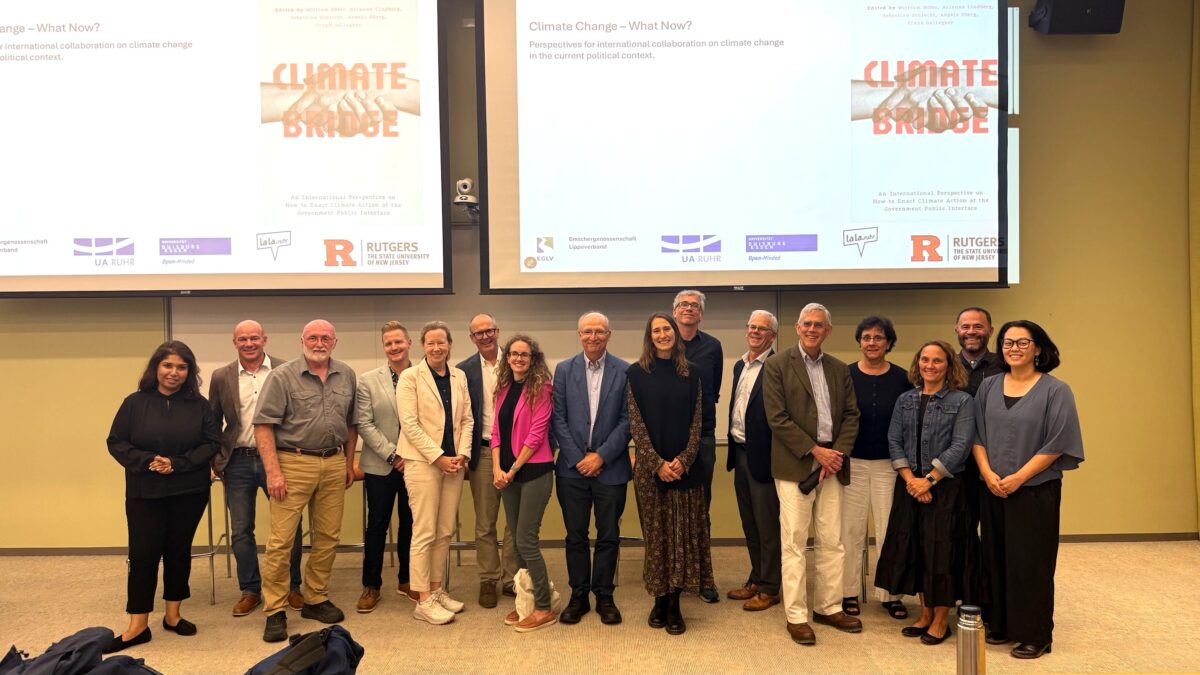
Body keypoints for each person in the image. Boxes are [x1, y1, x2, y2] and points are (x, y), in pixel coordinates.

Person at [973, 321, 1084, 659]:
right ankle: (1001, 624)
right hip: (992, 487)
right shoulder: (988, 386)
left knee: (1030, 563)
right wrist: (988, 473)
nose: (1014, 348)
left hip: (1035, 489)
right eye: (1008, 342)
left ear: (1038, 348)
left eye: (1023, 342)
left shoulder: (1056, 390)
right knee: (995, 558)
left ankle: (1035, 634)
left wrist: (1019, 477)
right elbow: (977, 436)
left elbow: (1057, 442)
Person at [104, 341, 220, 653]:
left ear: (189, 372)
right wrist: (149, 460)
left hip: (189, 490)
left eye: (181, 367)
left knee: (178, 551)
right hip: (145, 491)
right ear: (156, 368)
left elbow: (212, 442)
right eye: (168, 365)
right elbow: (116, 442)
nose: (174, 372)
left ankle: (173, 615)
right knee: (143, 554)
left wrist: (177, 463)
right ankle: (137, 625)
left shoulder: (200, 405)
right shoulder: (134, 403)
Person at [762, 303, 862, 645]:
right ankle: (797, 615)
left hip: (833, 464)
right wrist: (815, 451)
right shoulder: (776, 365)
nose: (812, 329)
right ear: (797, 326)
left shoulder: (838, 369)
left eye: (819, 325)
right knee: (794, 543)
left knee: (832, 540)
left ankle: (829, 606)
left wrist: (836, 455)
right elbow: (777, 418)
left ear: (828, 331)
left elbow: (851, 415)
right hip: (795, 465)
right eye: (807, 323)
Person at [254, 320, 358, 642]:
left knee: (328, 536)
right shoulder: (282, 377)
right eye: (313, 337)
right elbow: (263, 426)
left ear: (335, 341)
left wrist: (349, 462)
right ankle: (275, 609)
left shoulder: (346, 375)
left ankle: (315, 598)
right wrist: (273, 472)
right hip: (293, 463)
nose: (319, 342)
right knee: (281, 541)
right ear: (302, 340)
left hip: (334, 462)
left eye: (325, 337)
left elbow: (352, 423)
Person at [874, 340, 976, 646]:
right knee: (915, 549)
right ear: (918, 363)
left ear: (949, 366)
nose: (930, 366)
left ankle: (942, 619)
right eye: (925, 360)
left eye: (938, 361)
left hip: (946, 488)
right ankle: (925, 612)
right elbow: (894, 440)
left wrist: (928, 480)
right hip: (910, 486)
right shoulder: (905, 399)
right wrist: (911, 480)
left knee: (941, 553)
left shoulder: (962, 401)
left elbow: (961, 446)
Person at [626, 312, 714, 636]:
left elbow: (697, 423)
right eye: (656, 330)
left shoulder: (693, 373)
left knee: (682, 540)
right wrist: (657, 463)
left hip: (686, 472)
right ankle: (659, 599)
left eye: (667, 329)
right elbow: (636, 424)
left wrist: (682, 460)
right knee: (658, 539)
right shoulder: (635, 374)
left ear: (675, 334)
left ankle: (675, 603)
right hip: (651, 474)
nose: (662, 335)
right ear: (649, 337)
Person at [208, 320, 304, 618]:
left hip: (279, 459)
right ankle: (250, 589)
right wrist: (215, 461)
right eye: (242, 339)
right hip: (237, 460)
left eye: (254, 338)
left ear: (265, 339)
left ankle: (292, 586)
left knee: (290, 527)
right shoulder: (221, 376)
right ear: (234, 342)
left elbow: (297, 416)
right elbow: (213, 422)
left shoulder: (285, 369)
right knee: (240, 530)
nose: (248, 343)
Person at [552, 312, 631, 626]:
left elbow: (628, 420)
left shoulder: (625, 371)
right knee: (575, 536)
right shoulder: (563, 370)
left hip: (611, 468)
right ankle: (579, 595)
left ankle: (605, 596)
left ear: (609, 334)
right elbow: (558, 418)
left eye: (599, 331)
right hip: (572, 470)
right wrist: (578, 458)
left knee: (609, 536)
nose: (593, 337)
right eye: (587, 332)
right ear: (579, 334)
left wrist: (600, 457)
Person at [399, 321, 474, 625]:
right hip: (422, 463)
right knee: (425, 530)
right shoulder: (410, 377)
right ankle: (422, 600)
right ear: (422, 346)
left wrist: (463, 455)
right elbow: (409, 423)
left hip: (454, 464)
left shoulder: (459, 376)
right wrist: (438, 457)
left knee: (444, 531)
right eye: (430, 343)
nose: (436, 348)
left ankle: (436, 588)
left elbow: (467, 419)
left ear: (450, 344)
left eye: (441, 342)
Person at [840, 316, 912, 620]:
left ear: (889, 343)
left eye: (879, 337)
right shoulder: (844, 375)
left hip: (889, 465)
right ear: (859, 341)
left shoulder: (903, 378)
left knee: (888, 531)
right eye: (866, 337)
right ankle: (848, 593)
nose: (872, 342)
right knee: (850, 532)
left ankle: (890, 594)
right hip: (851, 464)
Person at [492, 335, 558, 632]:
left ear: (533, 359)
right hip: (506, 475)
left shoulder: (542, 388)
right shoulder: (503, 389)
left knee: (526, 540)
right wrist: (497, 469)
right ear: (507, 358)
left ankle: (544, 606)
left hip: (534, 472)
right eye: (514, 354)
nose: (519, 358)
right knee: (515, 544)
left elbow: (536, 434)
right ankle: (525, 602)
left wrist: (513, 469)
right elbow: (495, 433)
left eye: (525, 354)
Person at [354, 321, 418, 613]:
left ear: (409, 344)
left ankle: (407, 579)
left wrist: (411, 456)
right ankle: (372, 585)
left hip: (417, 465)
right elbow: (364, 424)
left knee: (411, 524)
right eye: (389, 343)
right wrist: (394, 456)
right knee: (377, 526)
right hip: (381, 465)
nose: (394, 347)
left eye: (398, 342)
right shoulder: (368, 380)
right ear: (384, 348)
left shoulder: (424, 375)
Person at [456, 313, 518, 608]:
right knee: (485, 522)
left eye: (489, 331)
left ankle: (512, 578)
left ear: (498, 331)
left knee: (515, 521)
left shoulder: (518, 359)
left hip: (518, 453)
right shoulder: (463, 370)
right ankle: (488, 579)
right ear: (472, 338)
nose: (485, 336)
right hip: (481, 452)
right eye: (478, 333)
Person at [725, 310, 782, 611]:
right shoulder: (740, 365)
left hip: (765, 457)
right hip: (740, 451)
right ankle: (757, 577)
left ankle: (771, 587)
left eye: (763, 329)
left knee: (767, 524)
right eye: (752, 327)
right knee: (750, 522)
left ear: (773, 335)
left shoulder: (779, 366)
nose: (756, 332)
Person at [671, 289, 723, 603]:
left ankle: (703, 576)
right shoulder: (661, 340)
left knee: (700, 508)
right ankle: (673, 573)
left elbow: (713, 392)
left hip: (702, 435)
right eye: (683, 305)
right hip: (666, 437)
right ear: (674, 312)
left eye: (695, 306)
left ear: (700, 314)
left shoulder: (713, 347)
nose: (689, 309)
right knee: (670, 509)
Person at [954, 306, 1003, 606]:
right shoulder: (947, 365)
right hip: (956, 467)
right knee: (962, 534)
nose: (971, 332)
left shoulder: (1004, 365)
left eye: (978, 326)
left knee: (996, 535)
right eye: (965, 326)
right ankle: (966, 596)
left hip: (997, 465)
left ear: (990, 330)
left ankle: (994, 598)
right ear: (956, 330)